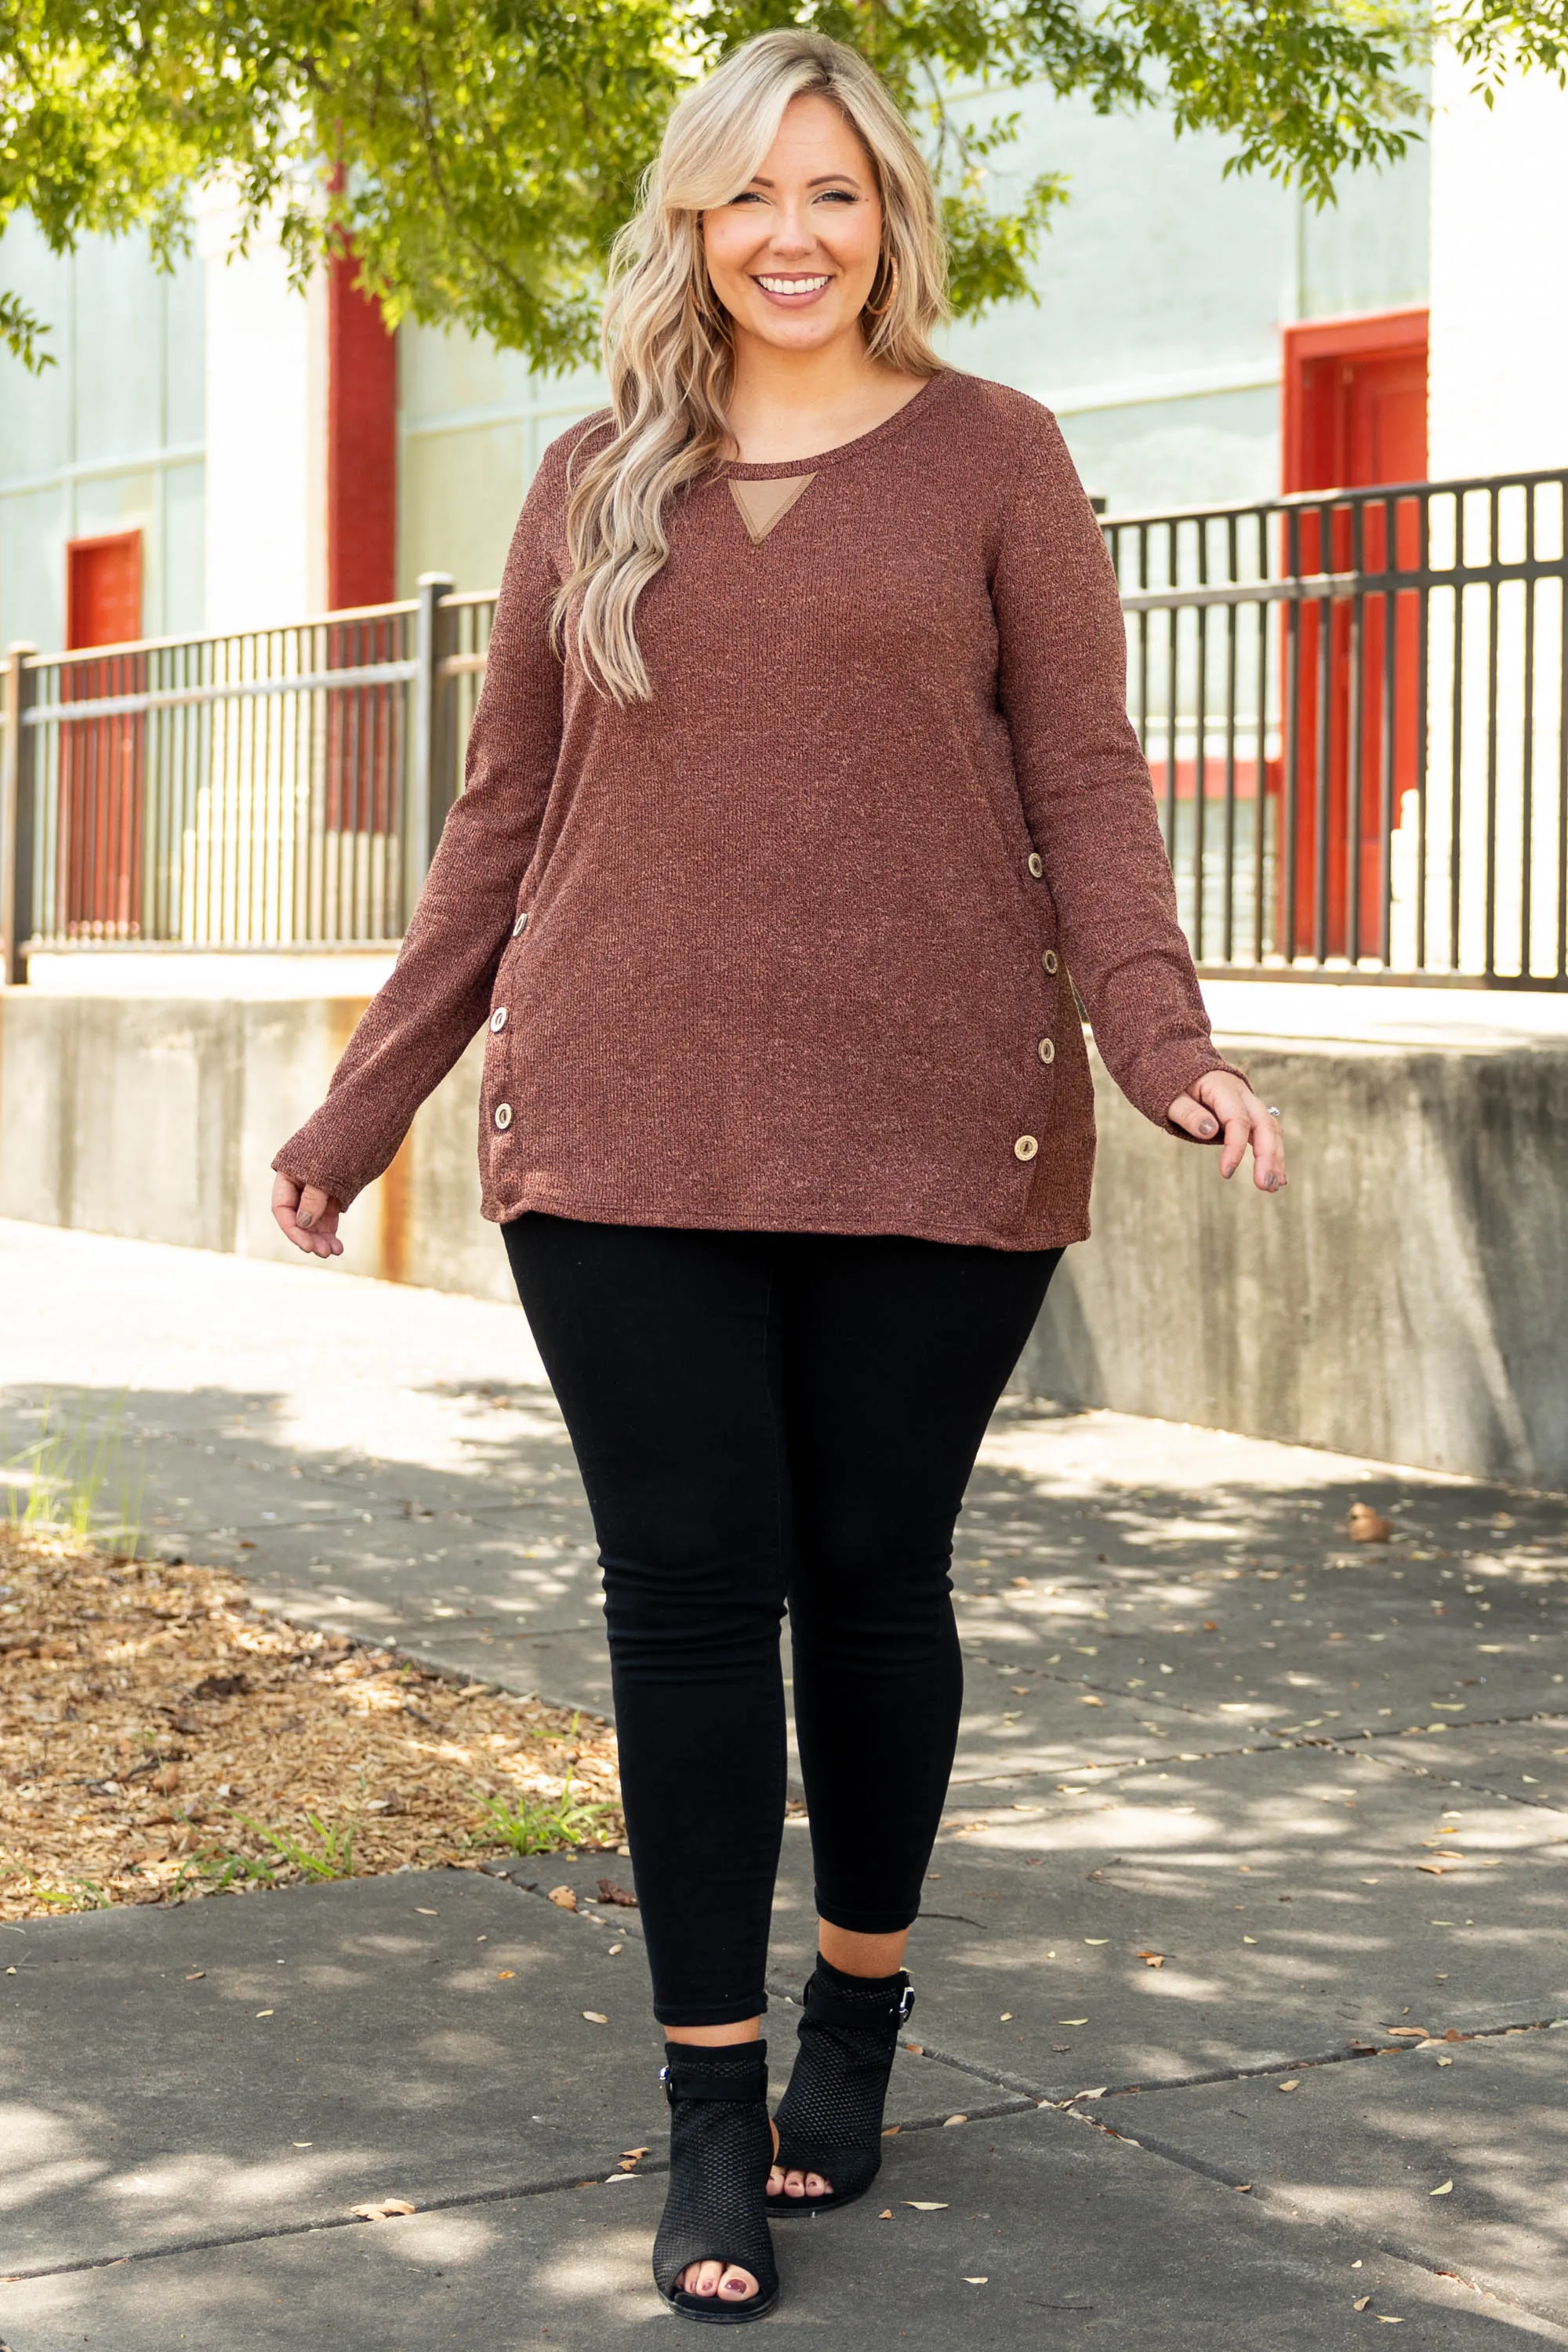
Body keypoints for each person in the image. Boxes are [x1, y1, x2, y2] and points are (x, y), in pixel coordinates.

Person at [271, 27, 1286, 2324]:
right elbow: (500, 825)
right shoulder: (585, 478)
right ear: (694, 224)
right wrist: (366, 1108)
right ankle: (710, 2116)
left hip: (934, 1110)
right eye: (752, 195)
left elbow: (1093, 785)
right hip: (621, 1115)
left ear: (888, 216)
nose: (795, 234)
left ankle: (861, 2025)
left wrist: (1165, 1047)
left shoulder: (1001, 459)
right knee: (690, 1601)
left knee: (871, 1579)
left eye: (835, 191)